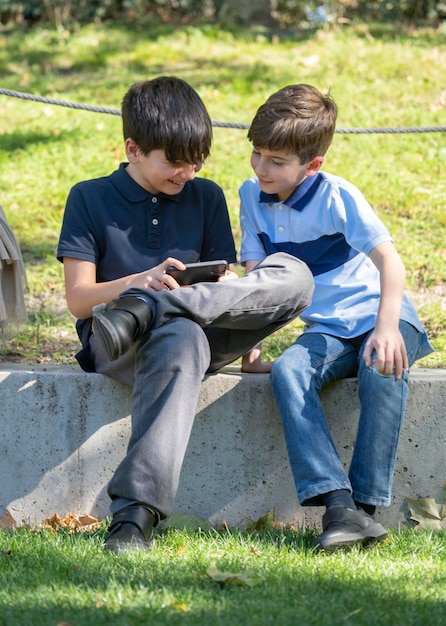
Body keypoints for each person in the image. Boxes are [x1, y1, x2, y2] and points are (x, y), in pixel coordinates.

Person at [57, 76, 314, 554]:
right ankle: (134, 516)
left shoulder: (207, 196)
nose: (188, 172)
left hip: (203, 326)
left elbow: (222, 287)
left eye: (197, 160)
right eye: (175, 162)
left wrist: (222, 291)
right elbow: (78, 300)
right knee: (180, 337)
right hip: (119, 339)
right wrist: (138, 283)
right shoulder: (89, 198)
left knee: (296, 275)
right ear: (133, 149)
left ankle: (159, 307)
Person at [238, 83, 433, 551]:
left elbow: (391, 262)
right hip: (329, 329)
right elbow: (258, 279)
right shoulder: (250, 195)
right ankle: (337, 503)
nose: (262, 168)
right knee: (289, 371)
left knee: (380, 372)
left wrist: (387, 328)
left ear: (313, 165)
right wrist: (253, 345)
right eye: (257, 153)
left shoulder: (337, 195)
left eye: (277, 161)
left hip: (381, 316)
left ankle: (364, 509)